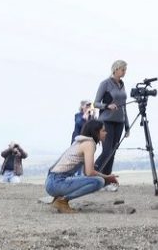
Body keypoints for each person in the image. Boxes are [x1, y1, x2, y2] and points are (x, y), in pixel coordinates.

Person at [45, 119, 119, 213]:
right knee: (99, 181)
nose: (106, 133)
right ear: (96, 132)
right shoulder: (89, 144)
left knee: (94, 179)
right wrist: (107, 177)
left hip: (52, 181)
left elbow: (85, 173)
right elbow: (90, 172)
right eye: (103, 130)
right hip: (56, 182)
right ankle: (62, 201)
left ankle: (58, 199)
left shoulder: (81, 141)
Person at [93, 59, 130, 189]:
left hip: (119, 122)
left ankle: (107, 181)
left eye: (125, 69)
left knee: (113, 152)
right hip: (106, 121)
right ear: (115, 69)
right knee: (107, 151)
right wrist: (107, 106)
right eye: (123, 69)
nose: (125, 72)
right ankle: (90, 173)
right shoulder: (105, 83)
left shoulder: (122, 85)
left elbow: (124, 107)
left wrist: (127, 125)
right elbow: (95, 103)